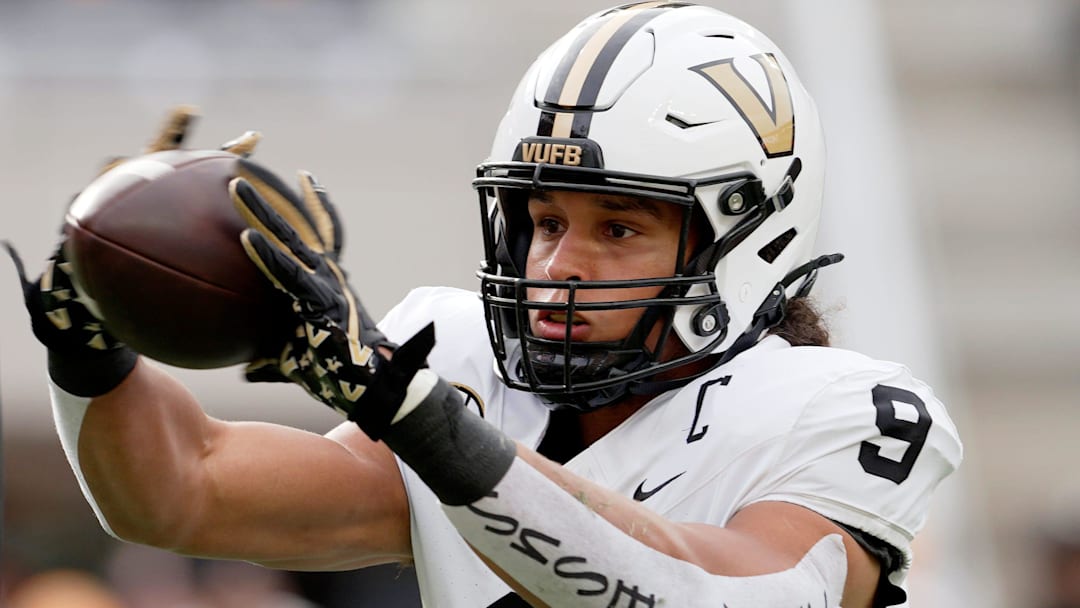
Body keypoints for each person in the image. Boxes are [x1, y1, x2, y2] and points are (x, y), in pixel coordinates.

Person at [8, 3, 962, 607]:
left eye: (618, 229)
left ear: (745, 232)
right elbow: (183, 491)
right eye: (544, 220)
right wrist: (95, 341)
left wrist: (420, 418)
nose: (558, 264)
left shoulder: (846, 412)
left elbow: (698, 594)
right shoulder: (469, 364)